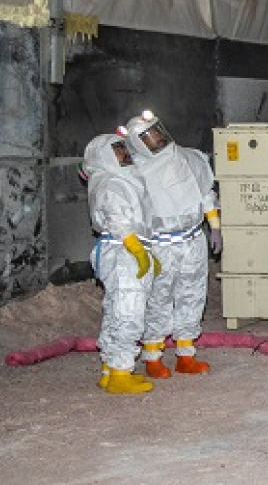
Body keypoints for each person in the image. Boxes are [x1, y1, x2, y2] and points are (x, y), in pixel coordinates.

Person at [124, 110, 222, 378]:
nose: (155, 140)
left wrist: (215, 227)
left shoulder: (188, 158)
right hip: (160, 245)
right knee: (159, 298)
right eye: (147, 137)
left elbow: (204, 195)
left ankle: (185, 353)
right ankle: (153, 356)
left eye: (156, 132)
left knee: (193, 295)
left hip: (192, 240)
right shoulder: (136, 173)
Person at [82, 133, 157, 395]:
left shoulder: (120, 179)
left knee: (116, 309)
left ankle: (111, 368)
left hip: (123, 249)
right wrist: (137, 250)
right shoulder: (112, 182)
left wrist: (145, 250)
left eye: (123, 150)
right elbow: (117, 219)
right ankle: (121, 372)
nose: (124, 155)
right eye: (118, 151)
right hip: (122, 250)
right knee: (129, 312)